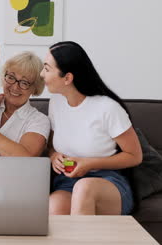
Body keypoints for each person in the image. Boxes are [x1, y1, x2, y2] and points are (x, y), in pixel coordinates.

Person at [41, 41, 142, 216]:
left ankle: (84, 244)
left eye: (47, 69)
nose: (42, 74)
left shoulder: (108, 108)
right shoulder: (56, 102)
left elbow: (134, 156)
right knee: (54, 207)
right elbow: (50, 147)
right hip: (68, 181)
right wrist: (53, 156)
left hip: (108, 182)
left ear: (67, 78)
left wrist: (90, 163)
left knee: (84, 188)